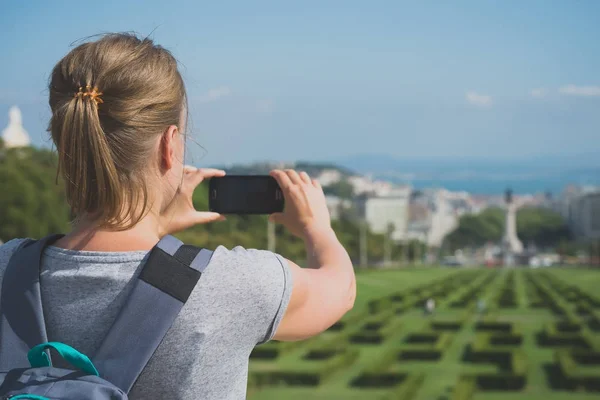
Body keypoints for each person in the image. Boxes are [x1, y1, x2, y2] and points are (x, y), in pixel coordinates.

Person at [0, 33, 356, 400]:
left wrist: (155, 223)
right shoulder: (231, 285)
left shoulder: (6, 267)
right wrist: (317, 227)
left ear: (66, 143)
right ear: (169, 145)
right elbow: (339, 290)